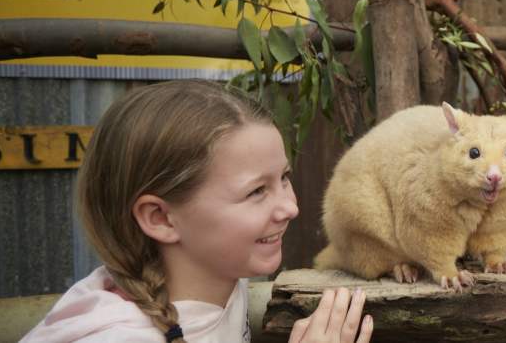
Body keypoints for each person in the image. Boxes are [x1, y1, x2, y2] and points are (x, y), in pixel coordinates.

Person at [21, 80, 373, 343]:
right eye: (255, 192)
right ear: (160, 218)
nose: (291, 207)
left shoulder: (221, 285)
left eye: (284, 177)